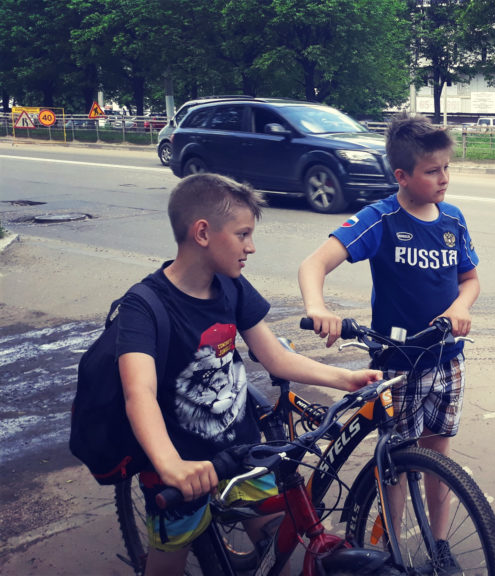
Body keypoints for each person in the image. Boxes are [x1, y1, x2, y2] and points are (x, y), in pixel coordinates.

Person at [117, 173, 382, 576]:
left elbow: (274, 357)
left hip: (242, 455)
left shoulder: (232, 287)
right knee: (166, 566)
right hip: (181, 471)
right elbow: (139, 393)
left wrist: (346, 379)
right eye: (243, 235)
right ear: (202, 233)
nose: (251, 247)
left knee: (281, 547)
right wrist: (171, 465)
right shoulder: (144, 305)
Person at [298, 112, 480, 562]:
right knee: (396, 463)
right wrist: (318, 308)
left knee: (438, 458)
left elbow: (470, 279)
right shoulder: (380, 218)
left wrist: (460, 306)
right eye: (432, 171)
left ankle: (440, 545)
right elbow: (313, 264)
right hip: (397, 365)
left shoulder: (453, 219)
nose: (444, 178)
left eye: (447, 167)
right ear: (401, 175)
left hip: (447, 360)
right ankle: (391, 550)